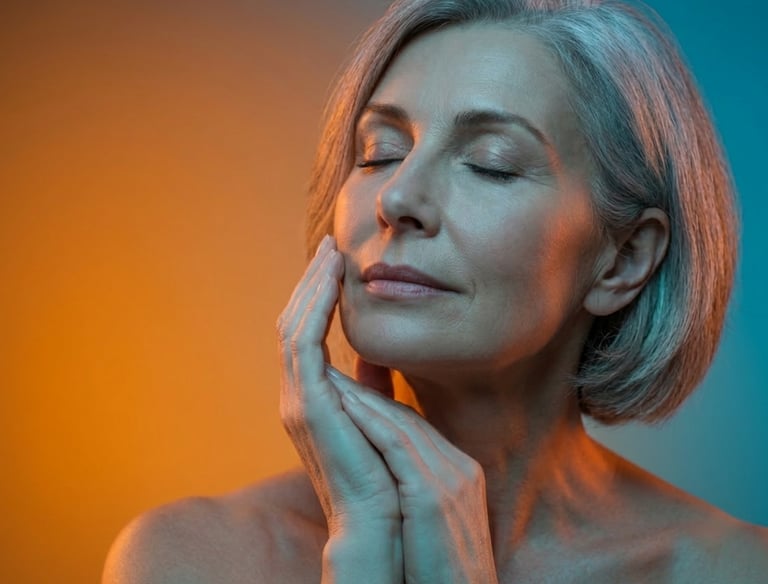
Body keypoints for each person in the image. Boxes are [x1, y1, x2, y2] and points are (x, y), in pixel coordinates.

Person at [102, 0, 768, 582]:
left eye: (491, 164)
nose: (397, 197)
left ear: (622, 259)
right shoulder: (190, 560)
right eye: (380, 152)